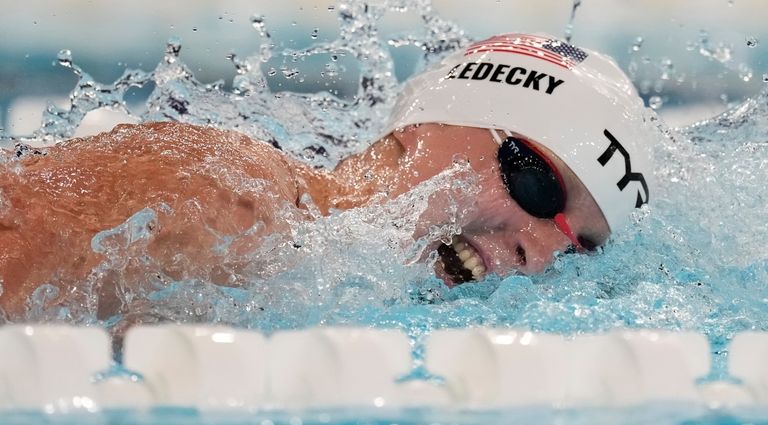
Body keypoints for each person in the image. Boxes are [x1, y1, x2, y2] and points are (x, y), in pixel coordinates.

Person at [0, 33, 655, 319]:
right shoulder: (238, 203)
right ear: (428, 122)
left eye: (576, 247)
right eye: (536, 183)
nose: (536, 255)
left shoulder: (324, 282)